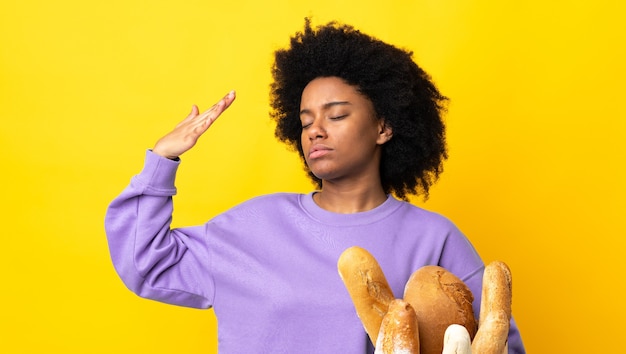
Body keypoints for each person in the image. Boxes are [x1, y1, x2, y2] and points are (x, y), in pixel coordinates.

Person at [105, 19, 525, 353]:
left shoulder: (435, 239)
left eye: (336, 115)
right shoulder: (253, 225)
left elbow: (498, 340)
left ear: (383, 126)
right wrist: (162, 160)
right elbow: (145, 263)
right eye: (305, 122)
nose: (315, 131)